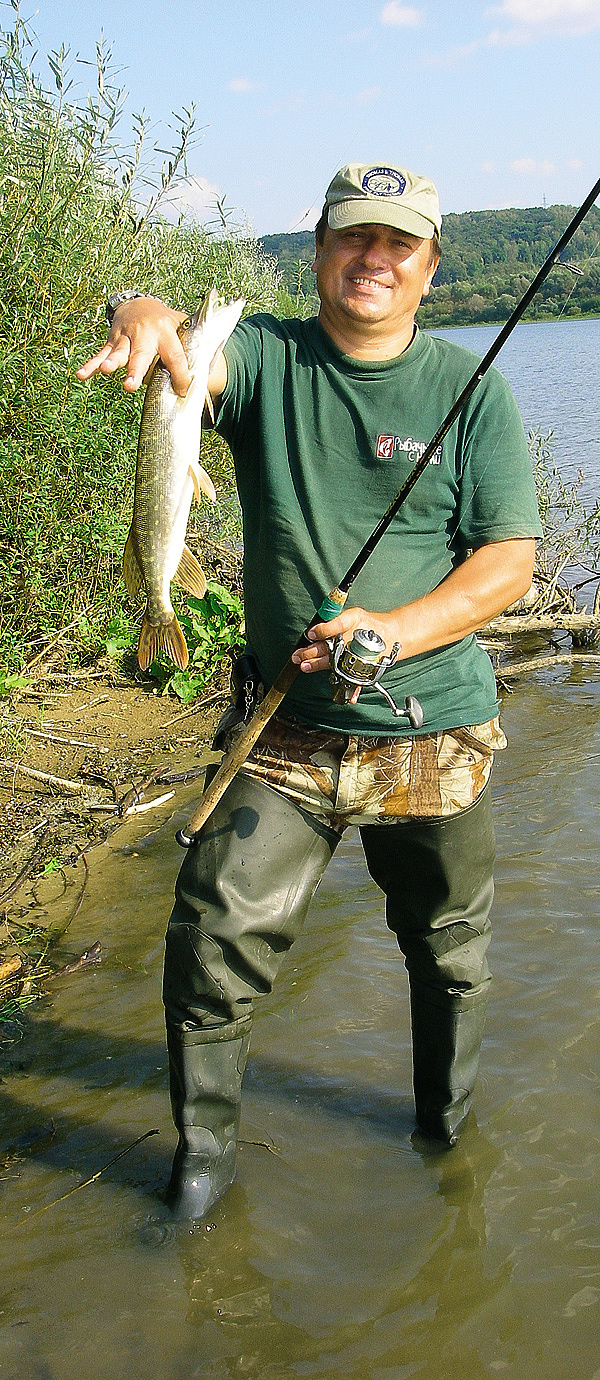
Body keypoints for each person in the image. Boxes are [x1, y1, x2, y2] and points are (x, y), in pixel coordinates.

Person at [77, 162, 541, 1219]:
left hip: (431, 724)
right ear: (322, 250)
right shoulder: (266, 359)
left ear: (430, 267)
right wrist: (135, 308)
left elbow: (508, 563)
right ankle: (200, 1169)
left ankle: (443, 1139)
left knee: (450, 955)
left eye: (399, 244)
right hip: (285, 726)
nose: (374, 259)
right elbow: (181, 353)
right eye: (354, 237)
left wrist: (393, 630)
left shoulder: (472, 389)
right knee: (210, 940)